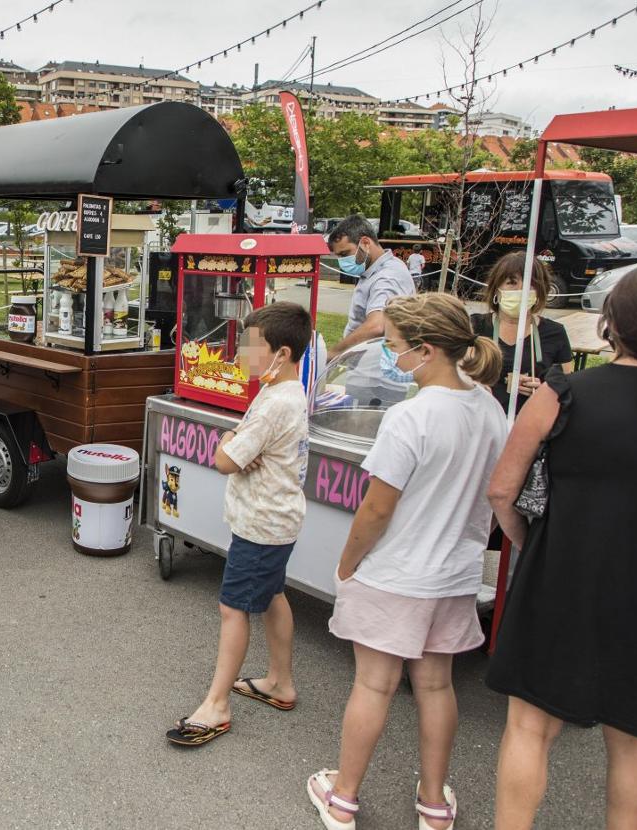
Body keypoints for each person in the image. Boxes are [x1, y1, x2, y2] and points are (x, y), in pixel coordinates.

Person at [306, 293, 506, 830]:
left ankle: (343, 796)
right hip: (454, 573)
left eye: (394, 347)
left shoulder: (409, 416)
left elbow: (377, 508)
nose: (391, 357)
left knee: (374, 684)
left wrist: (347, 564)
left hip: (395, 572)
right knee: (435, 685)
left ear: (425, 349)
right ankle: (434, 802)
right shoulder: (489, 406)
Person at [485, 265, 637, 830]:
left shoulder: (564, 392)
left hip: (562, 575)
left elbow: (503, 490)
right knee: (634, 744)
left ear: (613, 325)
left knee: (530, 726)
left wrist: (533, 542)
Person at [165, 303, 312, 748]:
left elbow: (225, 459)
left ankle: (216, 705)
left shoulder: (274, 404)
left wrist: (227, 438)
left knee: (234, 608)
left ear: (281, 353)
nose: (242, 352)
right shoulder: (285, 393)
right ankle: (280, 682)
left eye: (252, 345)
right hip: (276, 520)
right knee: (271, 595)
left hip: (262, 525)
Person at [470, 251, 573, 412]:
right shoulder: (475, 326)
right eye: (512, 283)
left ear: (540, 291)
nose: (521, 290)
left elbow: (567, 387)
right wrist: (474, 385)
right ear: (496, 289)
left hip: (531, 424)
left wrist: (545, 390)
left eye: (530, 284)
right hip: (480, 421)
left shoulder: (555, 333)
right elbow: (451, 376)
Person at [328, 215, 416, 354]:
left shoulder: (388, 276)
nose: (342, 261)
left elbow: (376, 325)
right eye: (339, 256)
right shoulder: (373, 271)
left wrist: (333, 353)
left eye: (345, 254)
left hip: (374, 370)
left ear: (365, 243)